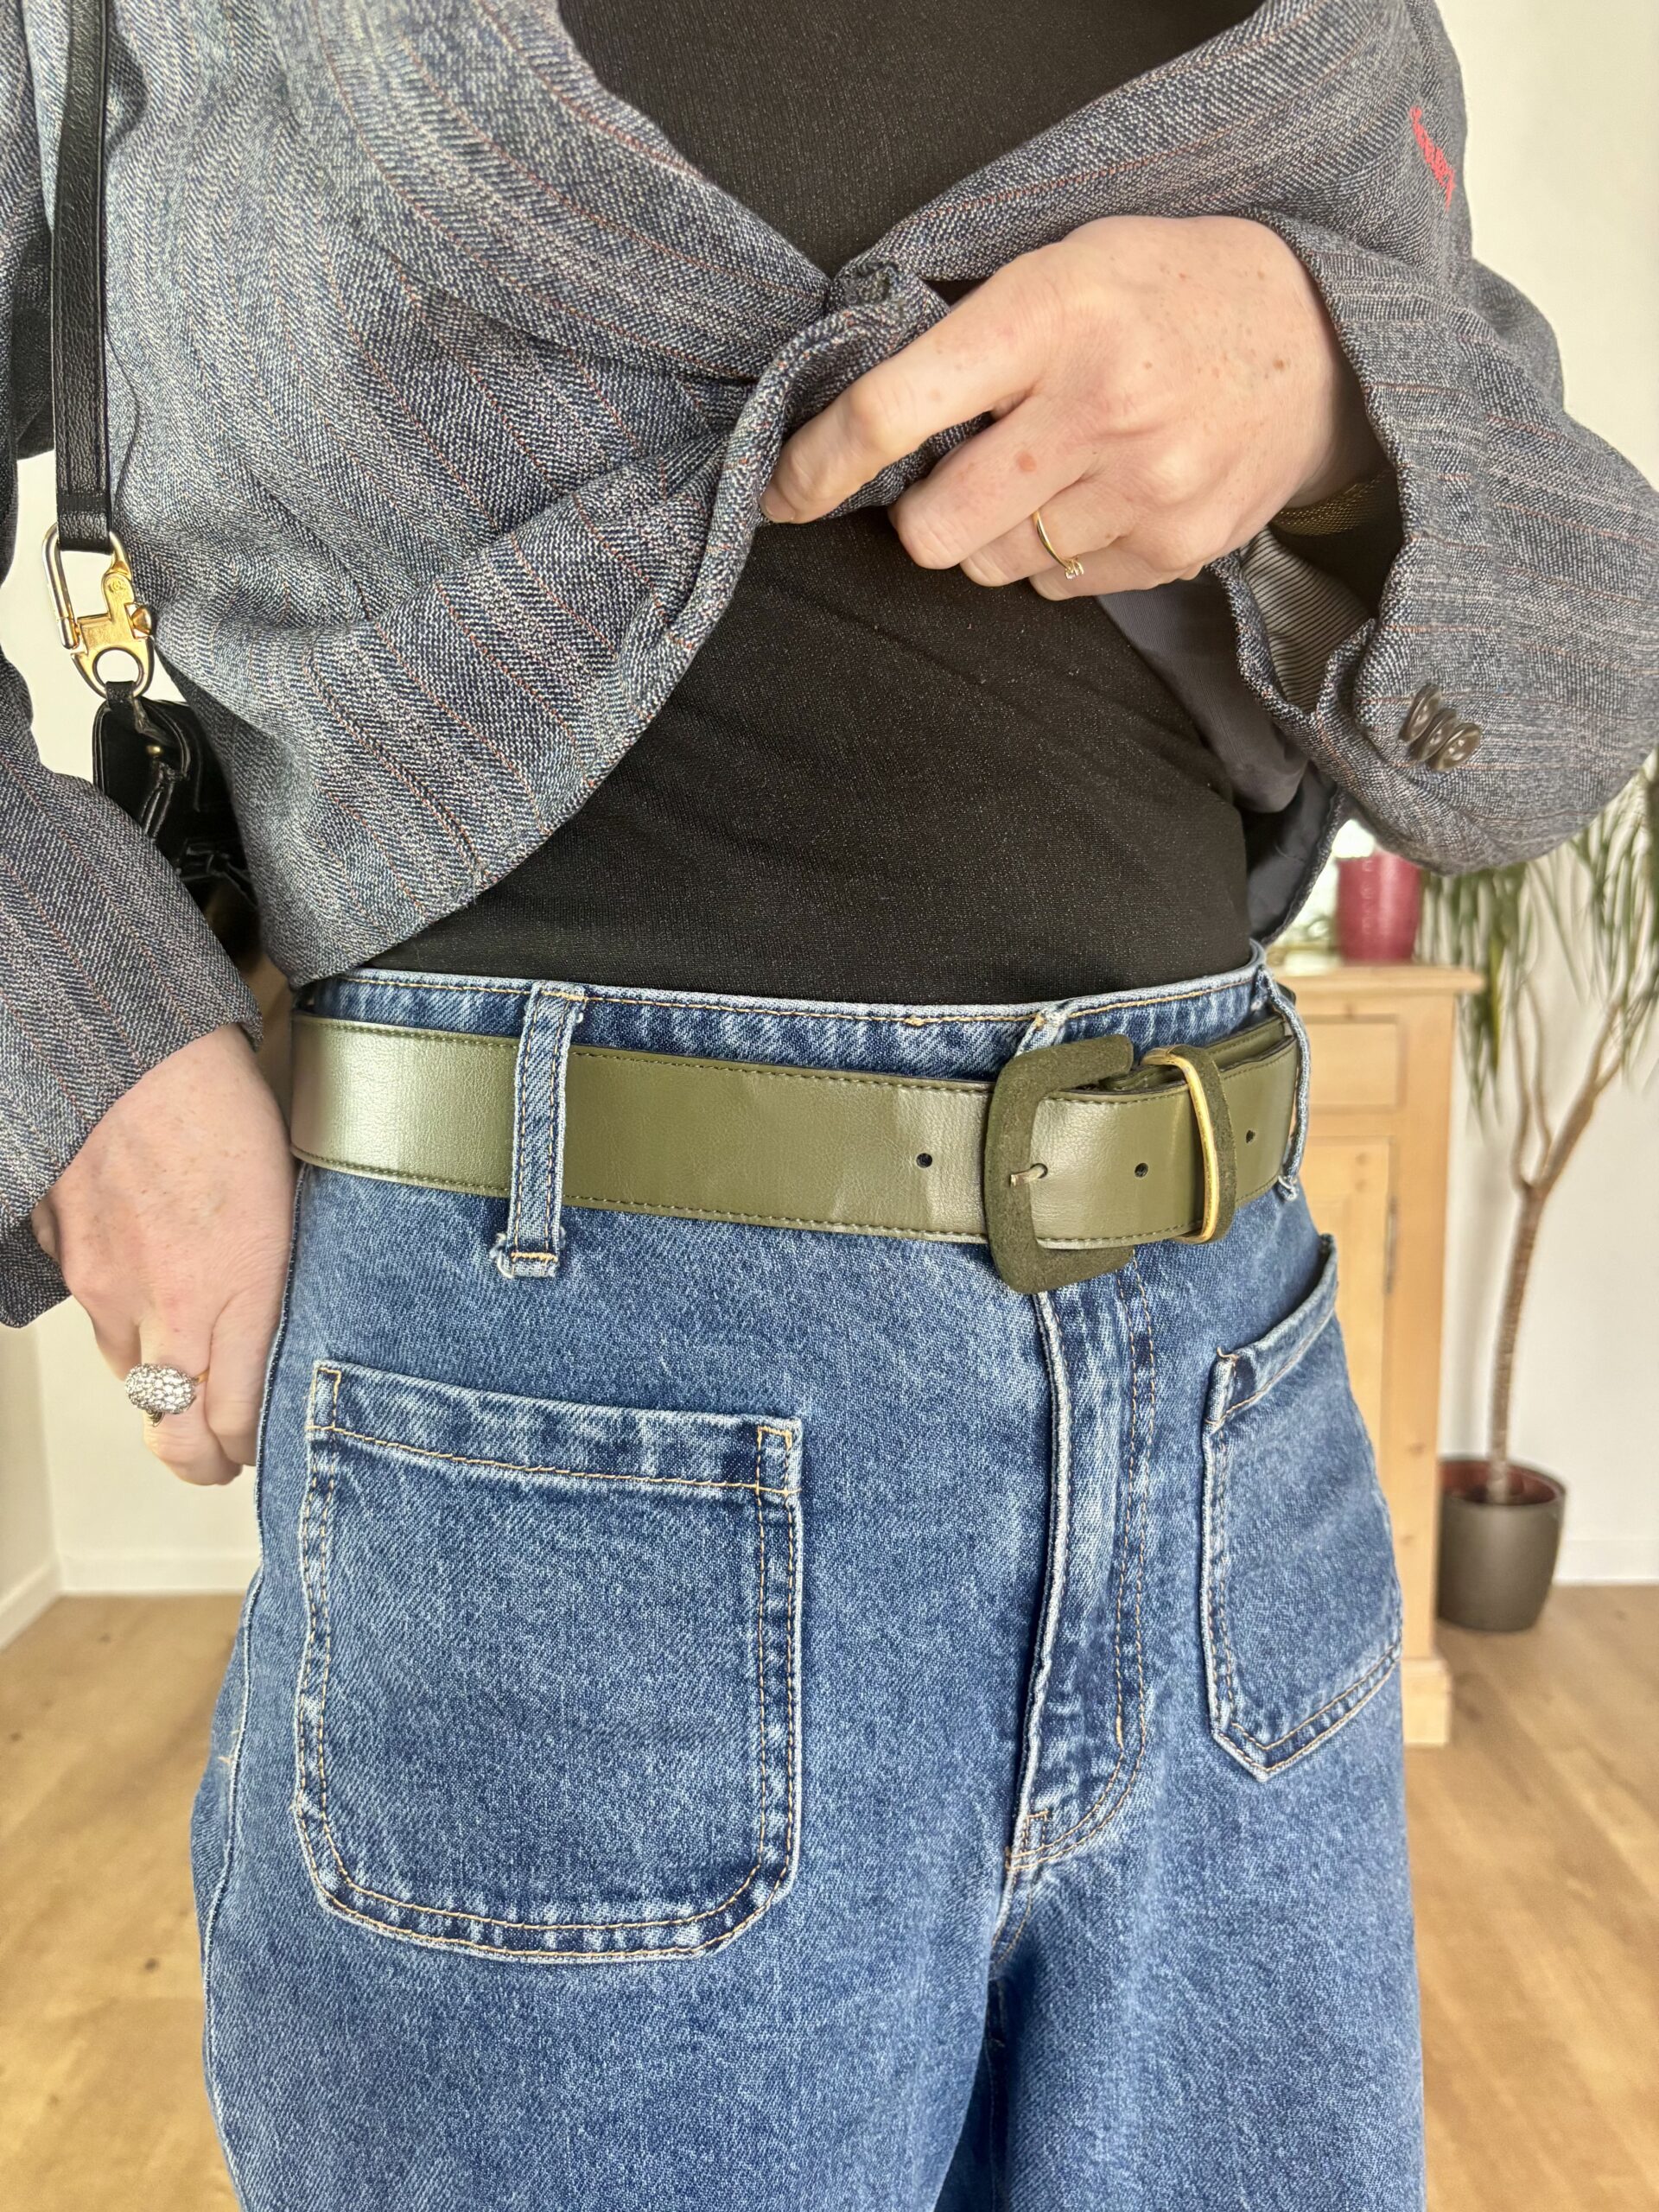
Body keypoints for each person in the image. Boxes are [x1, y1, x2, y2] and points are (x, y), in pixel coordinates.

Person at [2, 1, 1653, 2205]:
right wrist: (85, 1045)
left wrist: (1338, 404)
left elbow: (1567, 685)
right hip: (553, 1430)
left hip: (1232, 1406)